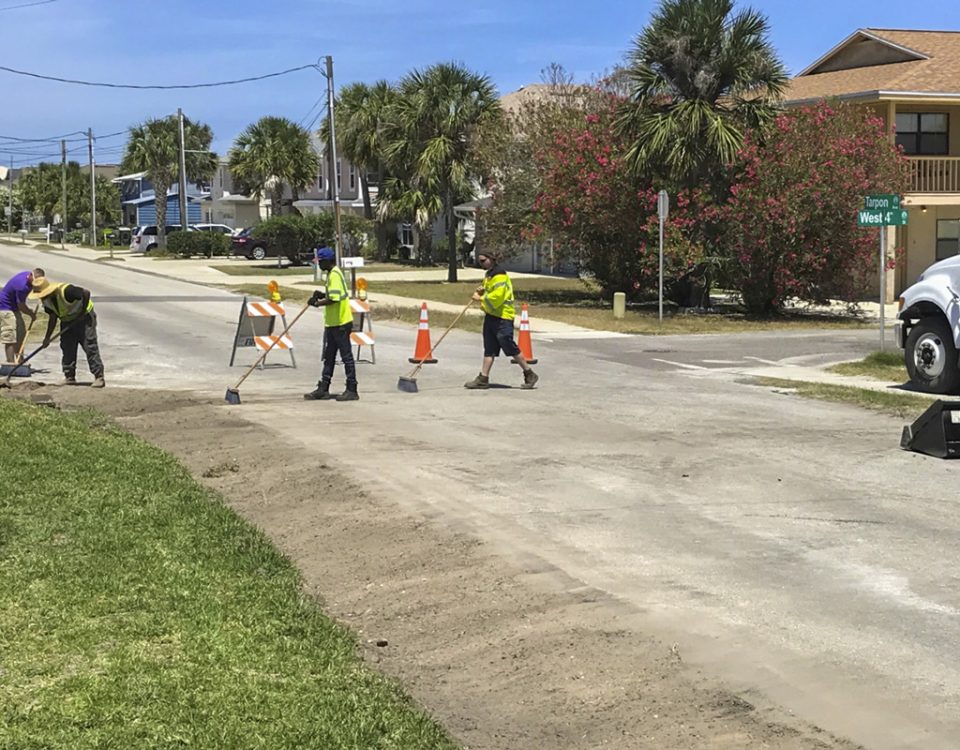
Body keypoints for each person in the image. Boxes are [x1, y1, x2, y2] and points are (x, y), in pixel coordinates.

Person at [465, 251, 538, 390]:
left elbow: (497, 297)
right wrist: (482, 291)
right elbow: (490, 292)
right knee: (489, 348)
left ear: (491, 259)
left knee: (508, 345)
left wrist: (480, 298)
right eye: (479, 261)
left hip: (503, 317)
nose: (481, 264)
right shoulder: (489, 275)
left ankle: (529, 373)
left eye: (483, 260)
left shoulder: (500, 276)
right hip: (491, 315)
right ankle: (483, 378)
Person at [28, 273, 105, 388]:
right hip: (67, 320)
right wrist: (47, 338)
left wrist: (82, 312)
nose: (41, 297)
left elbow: (86, 292)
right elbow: (53, 317)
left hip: (84, 318)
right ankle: (69, 376)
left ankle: (99, 376)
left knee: (89, 346)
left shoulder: (66, 291)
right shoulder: (46, 301)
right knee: (67, 346)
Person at [303, 246, 358, 402]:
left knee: (346, 356)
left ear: (327, 261)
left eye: (320, 262)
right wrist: (322, 294)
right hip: (333, 323)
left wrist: (317, 303)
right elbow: (334, 293)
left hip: (341, 322)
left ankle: (352, 388)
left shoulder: (334, 275)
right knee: (329, 356)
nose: (318, 265)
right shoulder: (332, 275)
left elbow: (334, 299)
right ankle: (324, 387)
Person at [0, 268, 38, 364]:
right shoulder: (22, 286)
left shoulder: (30, 279)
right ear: (30, 276)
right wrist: (31, 314)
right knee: (10, 335)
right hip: (5, 308)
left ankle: (19, 361)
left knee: (21, 333)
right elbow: (21, 306)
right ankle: (10, 363)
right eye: (35, 281)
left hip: (14, 307)